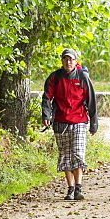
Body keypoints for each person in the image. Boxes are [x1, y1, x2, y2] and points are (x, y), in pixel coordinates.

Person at [42, 48, 98, 200]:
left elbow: (91, 100)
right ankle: (70, 188)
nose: (68, 62)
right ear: (62, 61)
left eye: (71, 59)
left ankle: (78, 187)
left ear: (76, 61)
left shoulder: (82, 77)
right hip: (60, 121)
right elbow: (47, 97)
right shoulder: (55, 77)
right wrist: (46, 115)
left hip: (79, 119)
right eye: (65, 59)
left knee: (78, 153)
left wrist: (94, 123)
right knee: (65, 156)